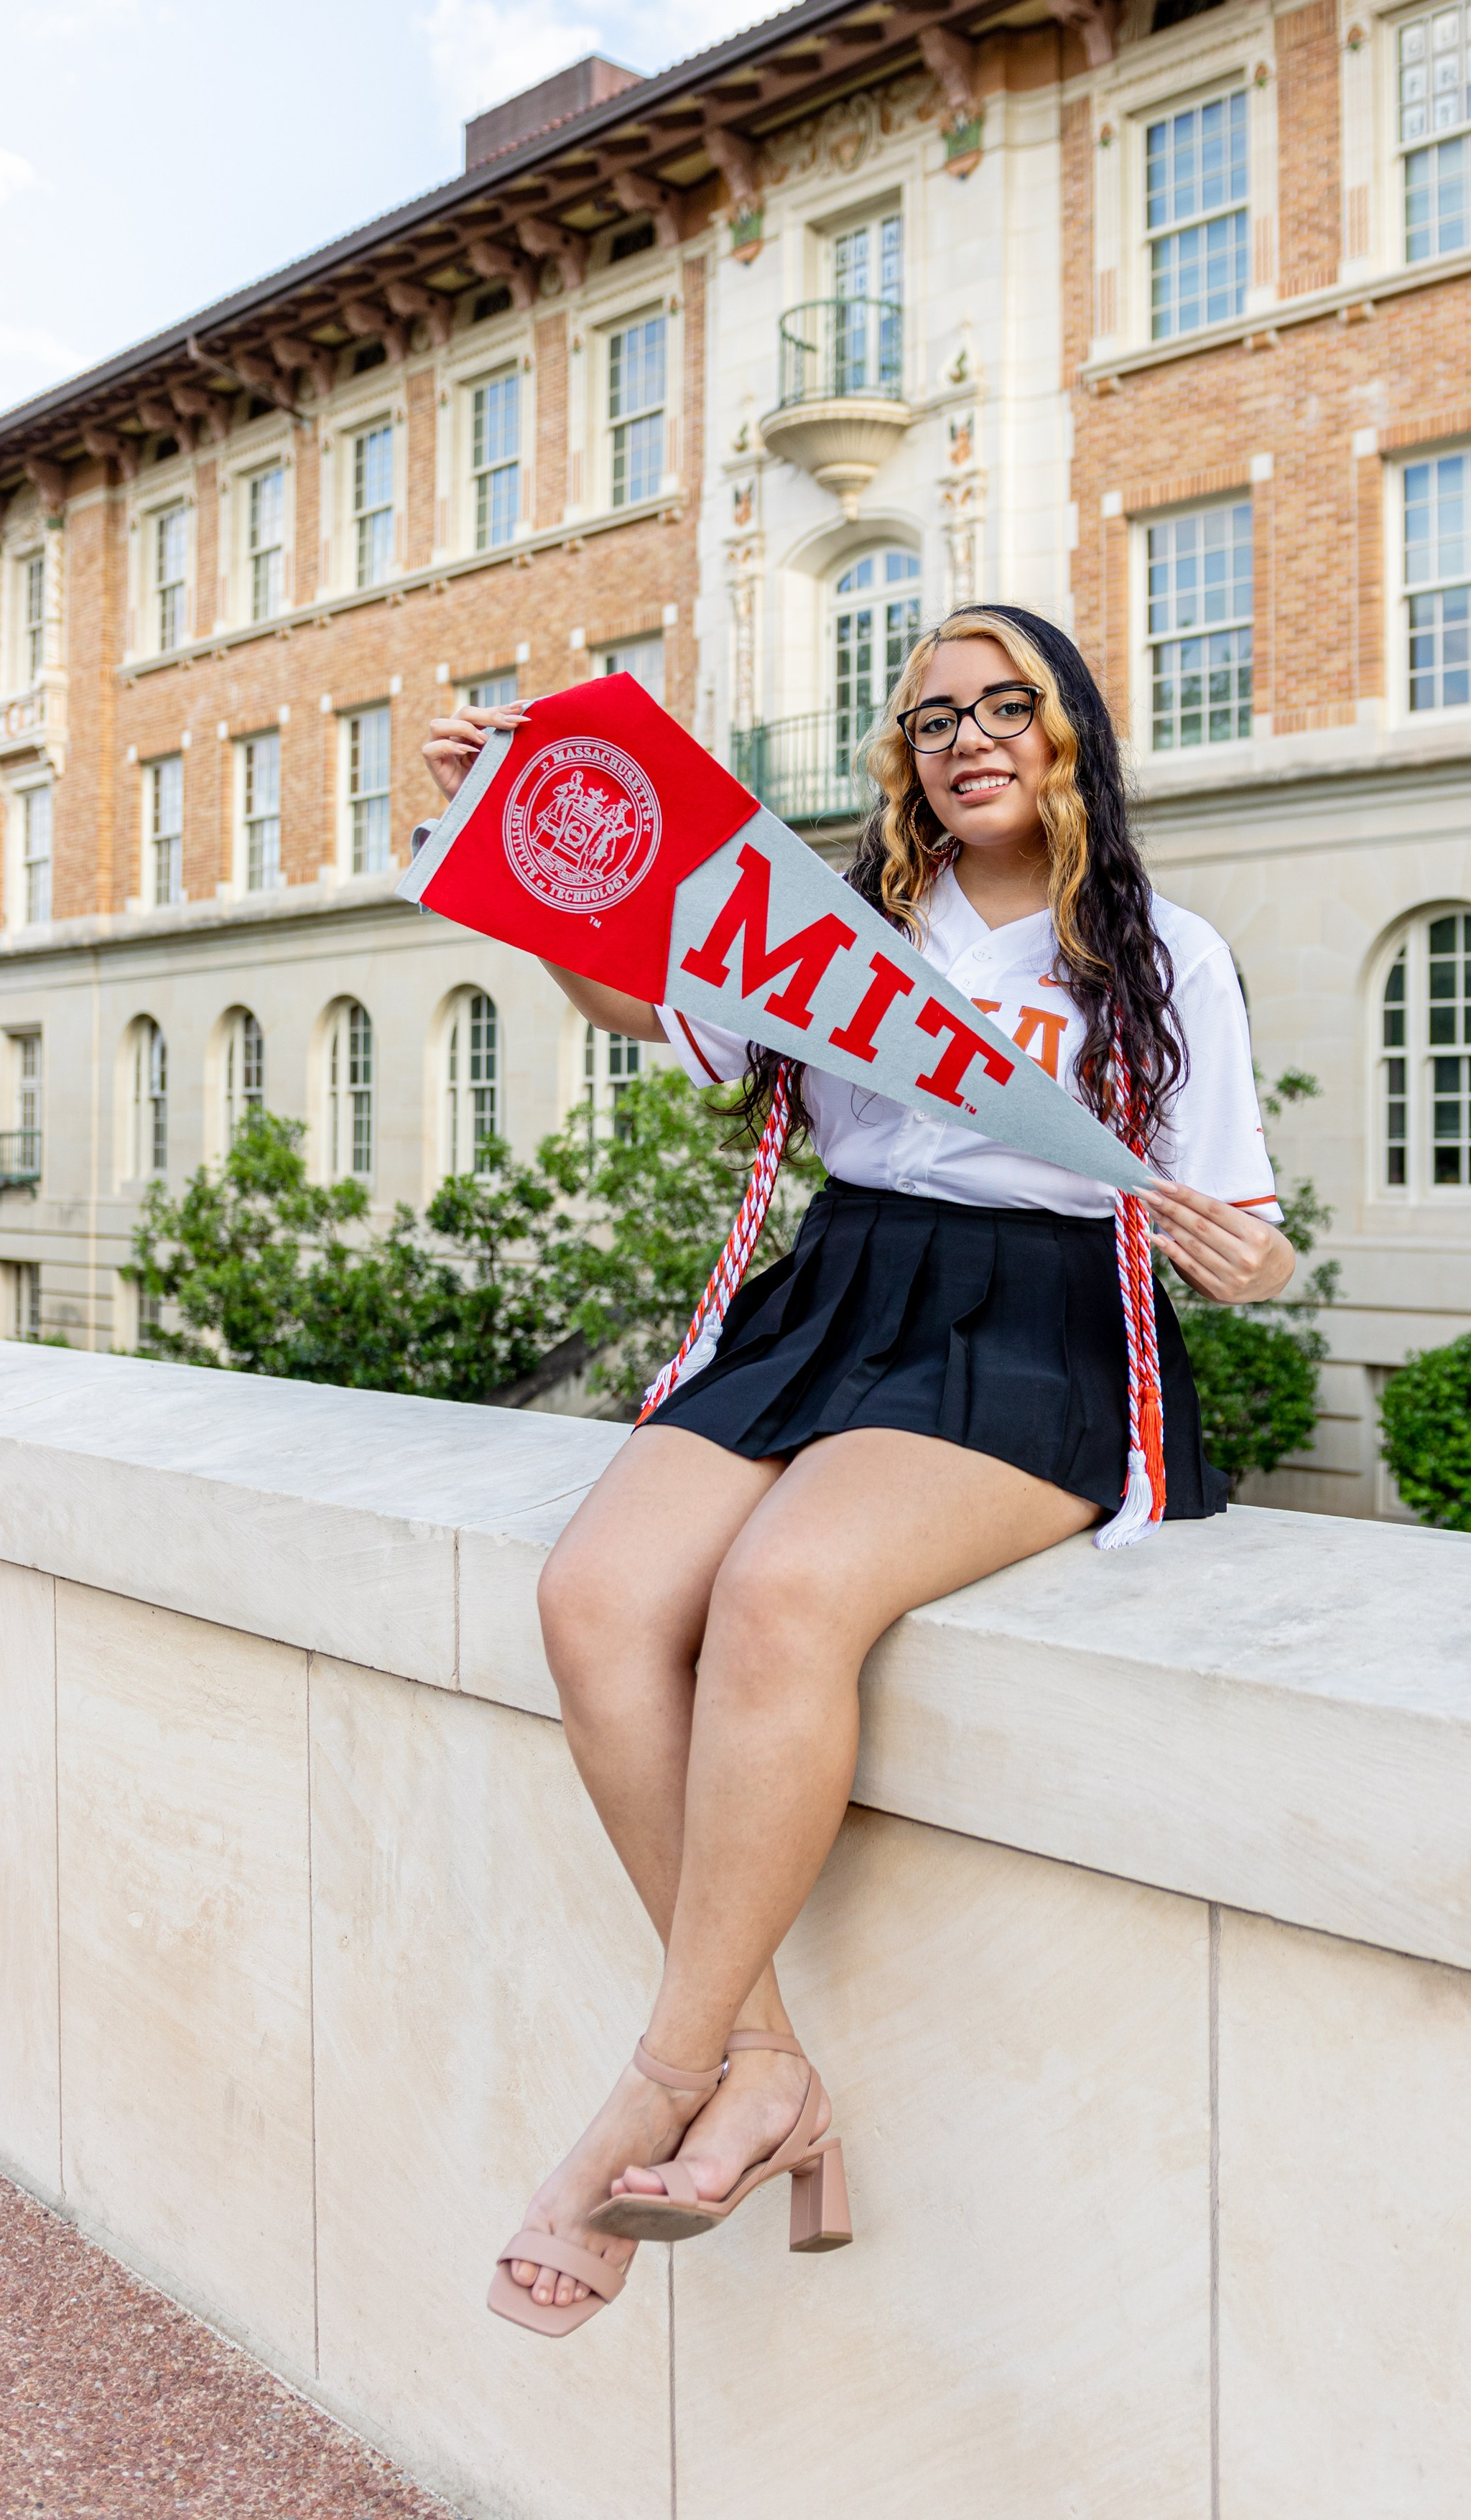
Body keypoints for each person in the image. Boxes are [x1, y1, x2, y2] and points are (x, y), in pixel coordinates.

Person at [421, 605, 1294, 2335]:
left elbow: (1250, 1235)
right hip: (834, 1292)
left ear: (1070, 737)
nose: (967, 736)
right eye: (928, 716)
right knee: (595, 1598)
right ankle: (762, 2067)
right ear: (899, 756)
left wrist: (1233, 1259)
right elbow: (639, 1001)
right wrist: (507, 852)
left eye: (1005, 706)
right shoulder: (847, 932)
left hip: (1031, 1328)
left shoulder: (1157, 954)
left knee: (784, 1592)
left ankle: (651, 2090)